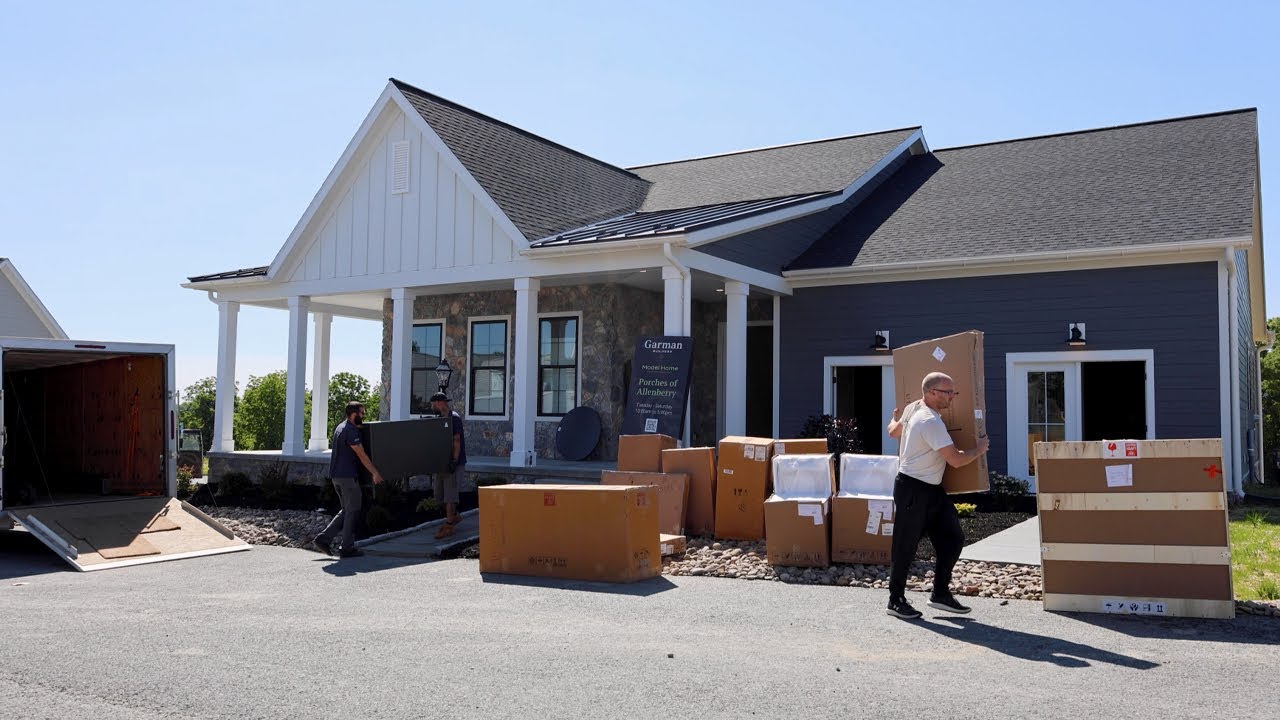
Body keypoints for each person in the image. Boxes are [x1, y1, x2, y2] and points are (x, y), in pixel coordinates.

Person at [884, 371, 990, 620]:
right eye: (948, 392)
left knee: (953, 538)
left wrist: (894, 418)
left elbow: (893, 432)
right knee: (905, 545)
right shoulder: (929, 420)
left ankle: (940, 593)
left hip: (932, 489)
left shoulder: (912, 408)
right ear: (931, 393)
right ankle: (895, 600)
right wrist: (979, 449)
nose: (953, 396)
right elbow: (956, 460)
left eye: (953, 391)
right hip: (913, 488)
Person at [311, 401, 383, 558]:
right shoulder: (351, 431)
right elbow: (361, 454)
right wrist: (375, 472)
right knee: (353, 510)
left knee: (346, 510)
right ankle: (346, 548)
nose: (364, 416)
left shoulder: (341, 427)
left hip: (337, 476)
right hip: (347, 477)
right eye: (362, 413)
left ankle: (323, 539)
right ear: (354, 414)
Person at [429, 391, 467, 539]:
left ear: (439, 403)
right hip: (441, 464)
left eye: (433, 403)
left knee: (450, 497)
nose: (432, 406)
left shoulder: (454, 418)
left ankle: (449, 526)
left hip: (453, 464)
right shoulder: (440, 419)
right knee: (439, 496)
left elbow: (456, 441)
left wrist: (454, 461)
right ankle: (454, 516)